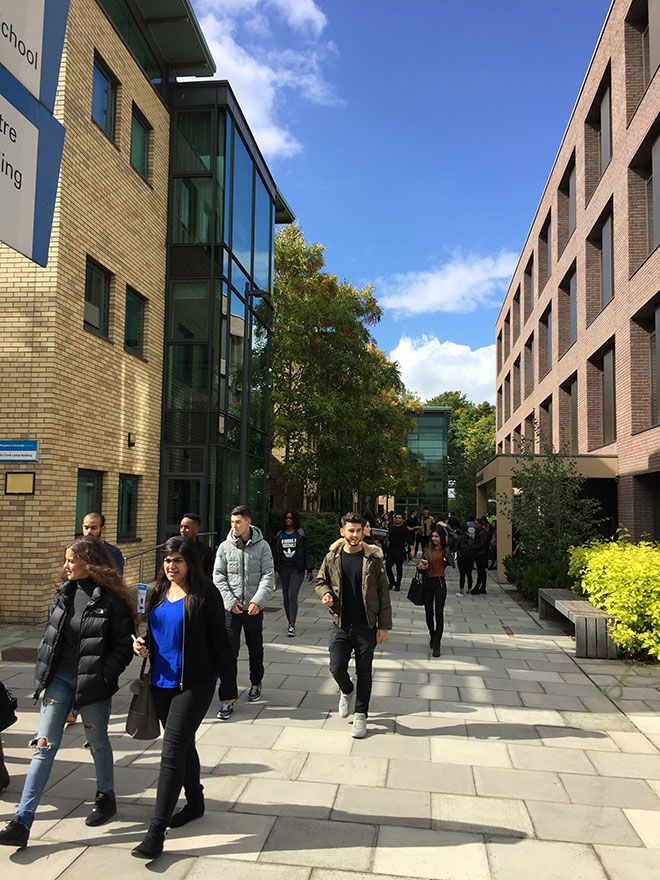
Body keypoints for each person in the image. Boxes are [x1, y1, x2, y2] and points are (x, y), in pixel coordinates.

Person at [0, 538, 135, 849]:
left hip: (93, 685)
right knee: (43, 747)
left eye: (71, 561)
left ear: (88, 562)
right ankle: (22, 820)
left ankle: (106, 796)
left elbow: (122, 648)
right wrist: (44, 674)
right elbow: (51, 637)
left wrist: (102, 675)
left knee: (98, 742)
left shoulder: (113, 601)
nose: (65, 566)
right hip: (58, 680)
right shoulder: (63, 593)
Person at [130, 536, 236, 860]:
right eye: (167, 561)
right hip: (161, 683)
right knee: (184, 743)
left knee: (172, 750)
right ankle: (195, 802)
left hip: (195, 683)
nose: (171, 566)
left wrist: (228, 690)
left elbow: (223, 643)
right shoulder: (158, 592)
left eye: (177, 560)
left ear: (190, 562)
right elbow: (160, 632)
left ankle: (155, 832)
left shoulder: (206, 595)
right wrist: (143, 644)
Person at [315, 513, 391, 739]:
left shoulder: (373, 559)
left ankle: (360, 715)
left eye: (358, 530)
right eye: (351, 530)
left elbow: (383, 593)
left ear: (363, 532)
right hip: (340, 623)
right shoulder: (332, 557)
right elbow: (321, 581)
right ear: (343, 532)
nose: (355, 534)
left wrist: (383, 625)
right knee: (336, 667)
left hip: (365, 626)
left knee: (364, 672)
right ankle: (346, 690)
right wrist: (326, 593)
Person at [213, 505, 275, 720]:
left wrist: (258, 601)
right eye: (232, 522)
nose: (234, 526)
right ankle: (227, 698)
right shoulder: (224, 547)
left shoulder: (263, 546)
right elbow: (218, 576)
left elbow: (268, 575)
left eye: (238, 522)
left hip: (253, 609)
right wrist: (229, 601)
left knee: (255, 647)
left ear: (248, 522)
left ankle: (256, 681)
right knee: (228, 651)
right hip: (231, 609)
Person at [273, 510, 313, 637]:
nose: (288, 520)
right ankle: (289, 620)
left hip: (297, 569)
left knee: (292, 595)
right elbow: (275, 552)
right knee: (285, 597)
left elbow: (307, 552)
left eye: (291, 518)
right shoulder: (280, 535)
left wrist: (310, 569)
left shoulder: (300, 534)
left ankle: (292, 625)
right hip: (284, 569)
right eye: (286, 518)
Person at [417, 529, 447, 657]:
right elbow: (421, 564)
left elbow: (457, 538)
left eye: (437, 536)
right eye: (433, 536)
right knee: (429, 613)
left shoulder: (446, 550)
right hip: (428, 582)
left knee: (439, 613)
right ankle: (432, 634)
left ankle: (437, 643)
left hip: (440, 583)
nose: (435, 539)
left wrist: (446, 526)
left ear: (441, 538)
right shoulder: (427, 549)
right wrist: (420, 567)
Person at [386, 512, 408, 591]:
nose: (398, 519)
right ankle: (392, 582)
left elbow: (409, 539)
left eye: (399, 518)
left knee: (399, 568)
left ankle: (398, 584)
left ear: (402, 520)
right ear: (394, 519)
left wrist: (411, 548)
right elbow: (388, 538)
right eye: (396, 518)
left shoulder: (404, 529)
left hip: (400, 551)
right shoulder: (391, 528)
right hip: (391, 550)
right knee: (388, 567)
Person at [455, 525, 477, 596]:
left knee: (462, 575)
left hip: (461, 558)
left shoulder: (459, 538)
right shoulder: (471, 538)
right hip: (470, 559)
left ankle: (461, 590)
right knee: (469, 574)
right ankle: (469, 590)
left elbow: (455, 547)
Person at [472, 517, 491, 595]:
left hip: (481, 554)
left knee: (481, 571)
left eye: (476, 524)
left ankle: (479, 587)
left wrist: (474, 547)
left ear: (480, 524)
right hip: (480, 554)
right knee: (481, 571)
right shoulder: (480, 532)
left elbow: (482, 544)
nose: (474, 526)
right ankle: (481, 587)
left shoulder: (482, 532)